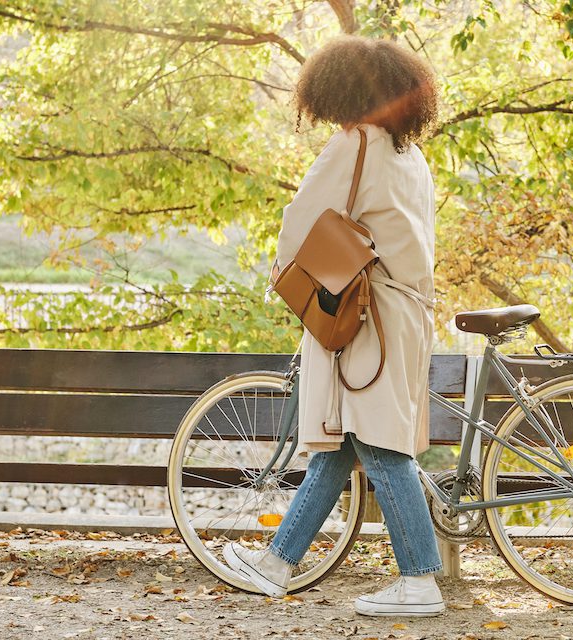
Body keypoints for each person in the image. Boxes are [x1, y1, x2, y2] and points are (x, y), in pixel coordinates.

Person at [223, 34, 444, 617]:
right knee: (348, 438)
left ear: (339, 89)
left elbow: (301, 221)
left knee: (377, 441)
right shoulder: (409, 155)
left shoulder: (354, 144)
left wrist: (285, 269)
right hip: (407, 311)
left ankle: (420, 579)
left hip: (369, 317)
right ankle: (276, 563)